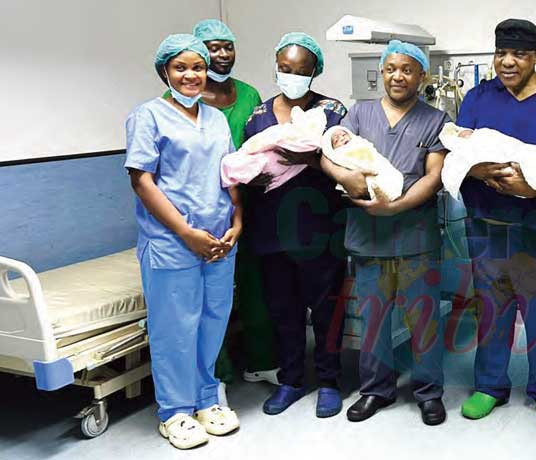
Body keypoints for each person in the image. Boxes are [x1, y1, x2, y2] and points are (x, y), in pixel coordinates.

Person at [321, 40, 450, 426]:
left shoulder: (435, 120)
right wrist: (345, 176)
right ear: (381, 71)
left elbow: (434, 176)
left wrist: (395, 206)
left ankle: (429, 392)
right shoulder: (359, 113)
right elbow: (329, 153)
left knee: (423, 319)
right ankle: (376, 389)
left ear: (421, 76)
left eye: (407, 69)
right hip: (368, 237)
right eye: (391, 68)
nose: (398, 76)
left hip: (415, 236)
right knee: (374, 319)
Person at [124, 34, 241, 449]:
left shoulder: (216, 119)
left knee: (213, 319)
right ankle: (174, 411)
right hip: (172, 241)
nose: (191, 75)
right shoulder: (148, 116)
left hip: (219, 239)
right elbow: (142, 180)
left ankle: (206, 399)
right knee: (175, 327)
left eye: (198, 67)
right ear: (165, 72)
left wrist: (237, 220)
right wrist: (186, 232)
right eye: (181, 68)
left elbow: (230, 173)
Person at [454, 18, 536, 428]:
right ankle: (489, 386)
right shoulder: (478, 97)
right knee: (491, 309)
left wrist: (531, 184)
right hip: (486, 225)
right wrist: (480, 171)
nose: (508, 62)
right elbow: (458, 150)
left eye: (519, 54)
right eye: (501, 53)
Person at [245, 32, 349, 419]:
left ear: (315, 71)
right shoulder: (258, 116)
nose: (291, 76)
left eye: (301, 71)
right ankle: (290, 380)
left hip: (320, 229)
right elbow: (248, 159)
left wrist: (307, 158)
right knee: (283, 311)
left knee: (326, 311)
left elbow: (347, 160)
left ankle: (329, 381)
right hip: (271, 230)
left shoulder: (332, 111)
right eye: (284, 69)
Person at [190, 18, 278, 387]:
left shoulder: (249, 95)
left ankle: (261, 361)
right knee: (210, 296)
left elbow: (261, 145)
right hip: (203, 209)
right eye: (213, 47)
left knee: (256, 287)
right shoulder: (181, 99)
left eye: (228, 46)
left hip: (251, 205)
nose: (223, 54)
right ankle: (216, 373)